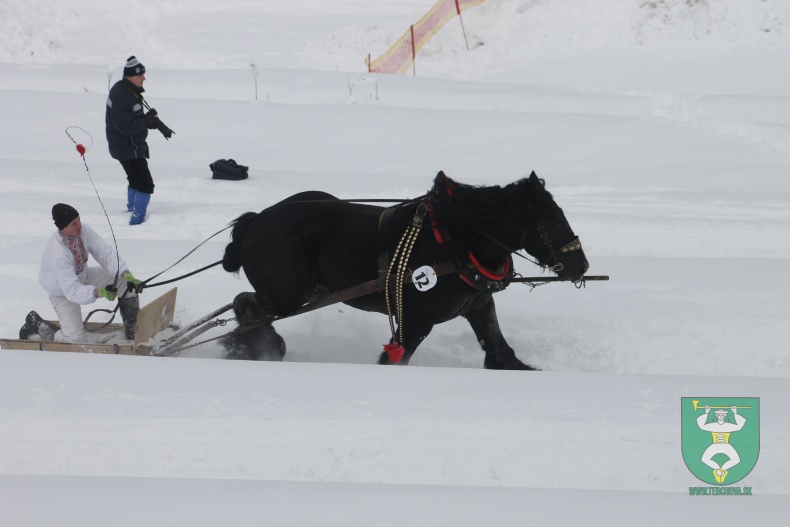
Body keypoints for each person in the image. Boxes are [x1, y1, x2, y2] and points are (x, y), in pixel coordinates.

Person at [19, 204, 144, 343]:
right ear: (63, 227)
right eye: (74, 223)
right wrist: (99, 292)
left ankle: (133, 331)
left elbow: (105, 254)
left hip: (83, 276)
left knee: (123, 281)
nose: (79, 225)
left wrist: (126, 274)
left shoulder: (84, 231)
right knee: (76, 340)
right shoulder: (57, 253)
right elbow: (72, 290)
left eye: (79, 219)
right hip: (62, 292)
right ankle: (37, 325)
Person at [105, 55, 174, 225]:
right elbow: (125, 126)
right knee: (145, 184)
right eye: (140, 75)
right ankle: (137, 219)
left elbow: (131, 118)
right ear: (130, 76)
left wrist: (150, 121)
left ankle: (132, 210)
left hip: (127, 147)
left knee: (135, 179)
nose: (144, 78)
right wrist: (145, 121)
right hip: (128, 148)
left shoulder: (127, 90)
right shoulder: (122, 94)